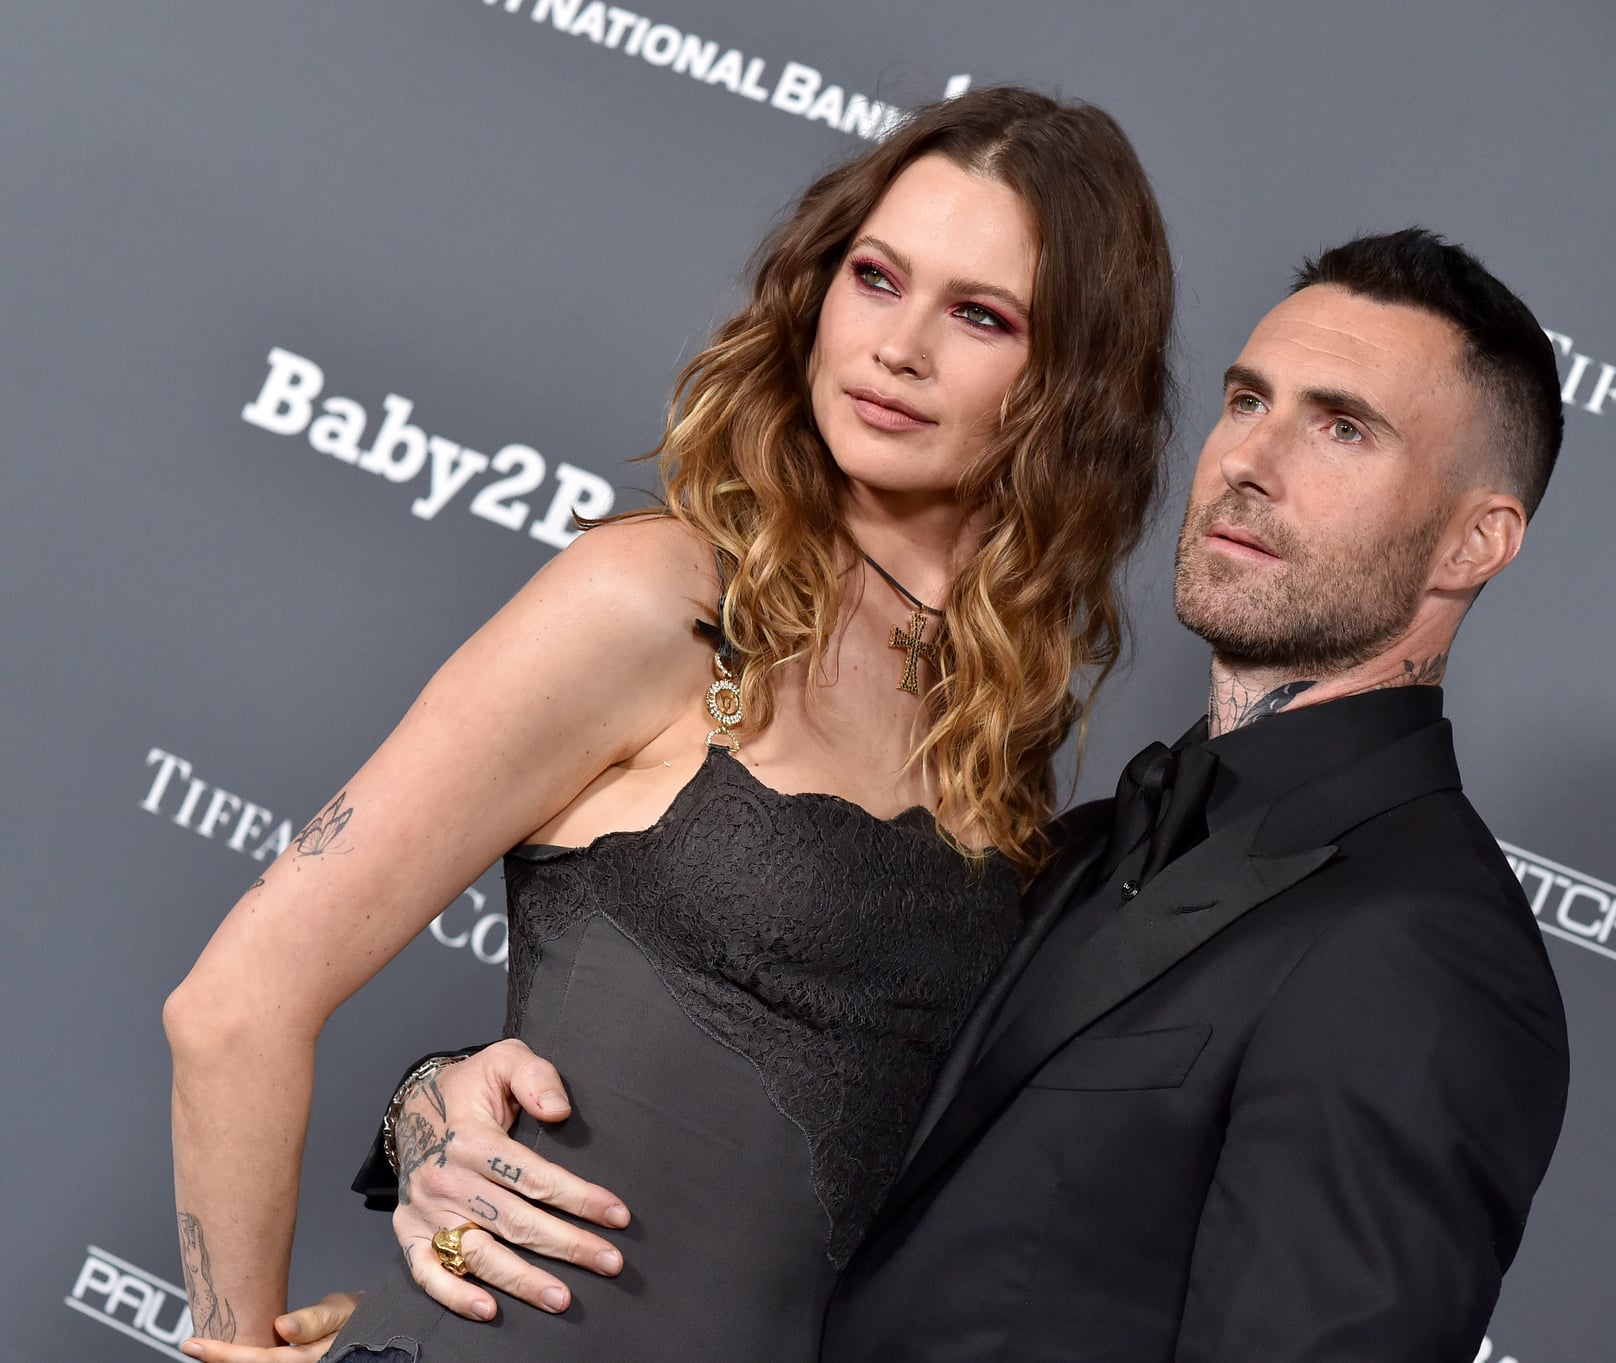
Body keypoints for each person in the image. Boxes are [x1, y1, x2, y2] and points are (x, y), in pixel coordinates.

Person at [232, 227, 1571, 1363]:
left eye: (1343, 426)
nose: (1253, 460)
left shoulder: (1423, 951)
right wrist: (435, 1110)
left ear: (1476, 538)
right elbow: (792, 1086)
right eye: (1248, 397)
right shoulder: (1102, 844)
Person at [163, 85, 1175, 1363]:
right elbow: (235, 1004)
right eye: (875, 278)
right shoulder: (657, 599)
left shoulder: (993, 722)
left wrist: (426, 1101)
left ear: (1071, 384)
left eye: (978, 315)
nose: (897, 345)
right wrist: (231, 1345)